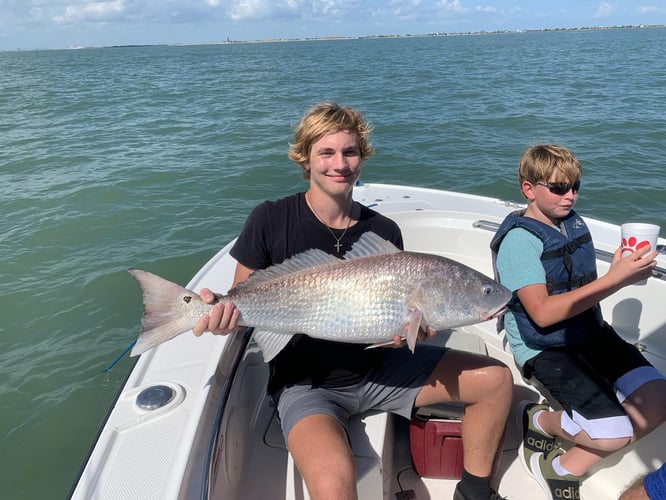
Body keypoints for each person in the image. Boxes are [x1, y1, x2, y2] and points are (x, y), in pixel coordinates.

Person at [193, 102, 513, 500]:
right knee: (334, 488)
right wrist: (223, 315)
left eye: (350, 152)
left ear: (362, 158)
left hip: (379, 371)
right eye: (326, 152)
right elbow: (243, 302)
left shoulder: (383, 230)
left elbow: (399, 323)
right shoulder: (271, 219)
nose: (339, 163)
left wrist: (410, 334)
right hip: (307, 385)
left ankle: (475, 492)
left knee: (497, 380)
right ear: (305, 158)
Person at [490, 144, 666, 500]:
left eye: (575, 187)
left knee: (660, 400)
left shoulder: (570, 223)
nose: (569, 196)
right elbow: (541, 314)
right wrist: (616, 279)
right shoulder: (519, 243)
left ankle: (559, 466)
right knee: (613, 432)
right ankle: (539, 421)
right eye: (558, 188)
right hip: (544, 347)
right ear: (529, 189)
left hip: (589, 334)